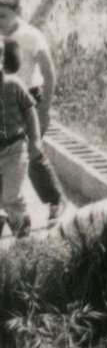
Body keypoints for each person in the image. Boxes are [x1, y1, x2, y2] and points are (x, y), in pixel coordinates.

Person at [0, 0, 64, 216]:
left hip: (28, 97)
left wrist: (44, 110)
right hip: (3, 96)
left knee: (31, 152)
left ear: (17, 13)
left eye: (2, 16)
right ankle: (8, 211)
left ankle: (55, 200)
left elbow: (49, 72)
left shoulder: (30, 35)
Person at [0, 42, 39, 237]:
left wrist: (35, 140)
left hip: (14, 150)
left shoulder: (13, 85)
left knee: (10, 196)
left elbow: (30, 110)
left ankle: (23, 234)